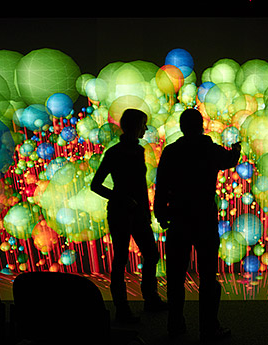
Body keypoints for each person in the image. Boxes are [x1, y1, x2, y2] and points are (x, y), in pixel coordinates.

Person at [154, 108, 242, 341]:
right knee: (207, 277)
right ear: (201, 126)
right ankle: (209, 327)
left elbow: (161, 184)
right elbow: (229, 160)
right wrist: (236, 149)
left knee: (175, 277)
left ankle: (175, 325)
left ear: (182, 128)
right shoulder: (209, 150)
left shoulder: (171, 151)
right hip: (204, 219)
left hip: (179, 218)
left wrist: (161, 213)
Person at [91, 108, 167, 323]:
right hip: (121, 213)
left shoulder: (137, 150)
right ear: (135, 126)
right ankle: (123, 309)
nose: (146, 128)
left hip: (136, 213)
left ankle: (147, 300)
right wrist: (121, 198)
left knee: (149, 255)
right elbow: (95, 185)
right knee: (122, 260)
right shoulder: (115, 153)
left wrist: (145, 210)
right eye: (143, 124)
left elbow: (139, 186)